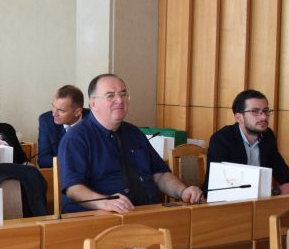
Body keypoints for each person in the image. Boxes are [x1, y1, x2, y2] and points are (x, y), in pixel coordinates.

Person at [59, 74, 203, 213]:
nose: (119, 100)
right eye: (110, 96)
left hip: (147, 213)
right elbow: (73, 188)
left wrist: (183, 191)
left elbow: (160, 174)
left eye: (123, 94)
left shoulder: (134, 133)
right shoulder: (76, 139)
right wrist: (103, 202)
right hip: (101, 218)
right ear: (93, 103)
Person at [204, 89, 289, 195]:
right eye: (255, 111)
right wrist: (276, 191)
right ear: (239, 118)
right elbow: (217, 188)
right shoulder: (222, 139)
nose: (264, 117)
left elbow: (281, 170)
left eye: (266, 111)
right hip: (228, 202)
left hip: (260, 202)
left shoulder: (267, 136)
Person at [38, 84, 88, 168]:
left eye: (61, 110)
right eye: (53, 106)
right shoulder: (46, 120)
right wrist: (73, 161)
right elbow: (43, 160)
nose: (54, 114)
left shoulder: (93, 119)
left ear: (77, 112)